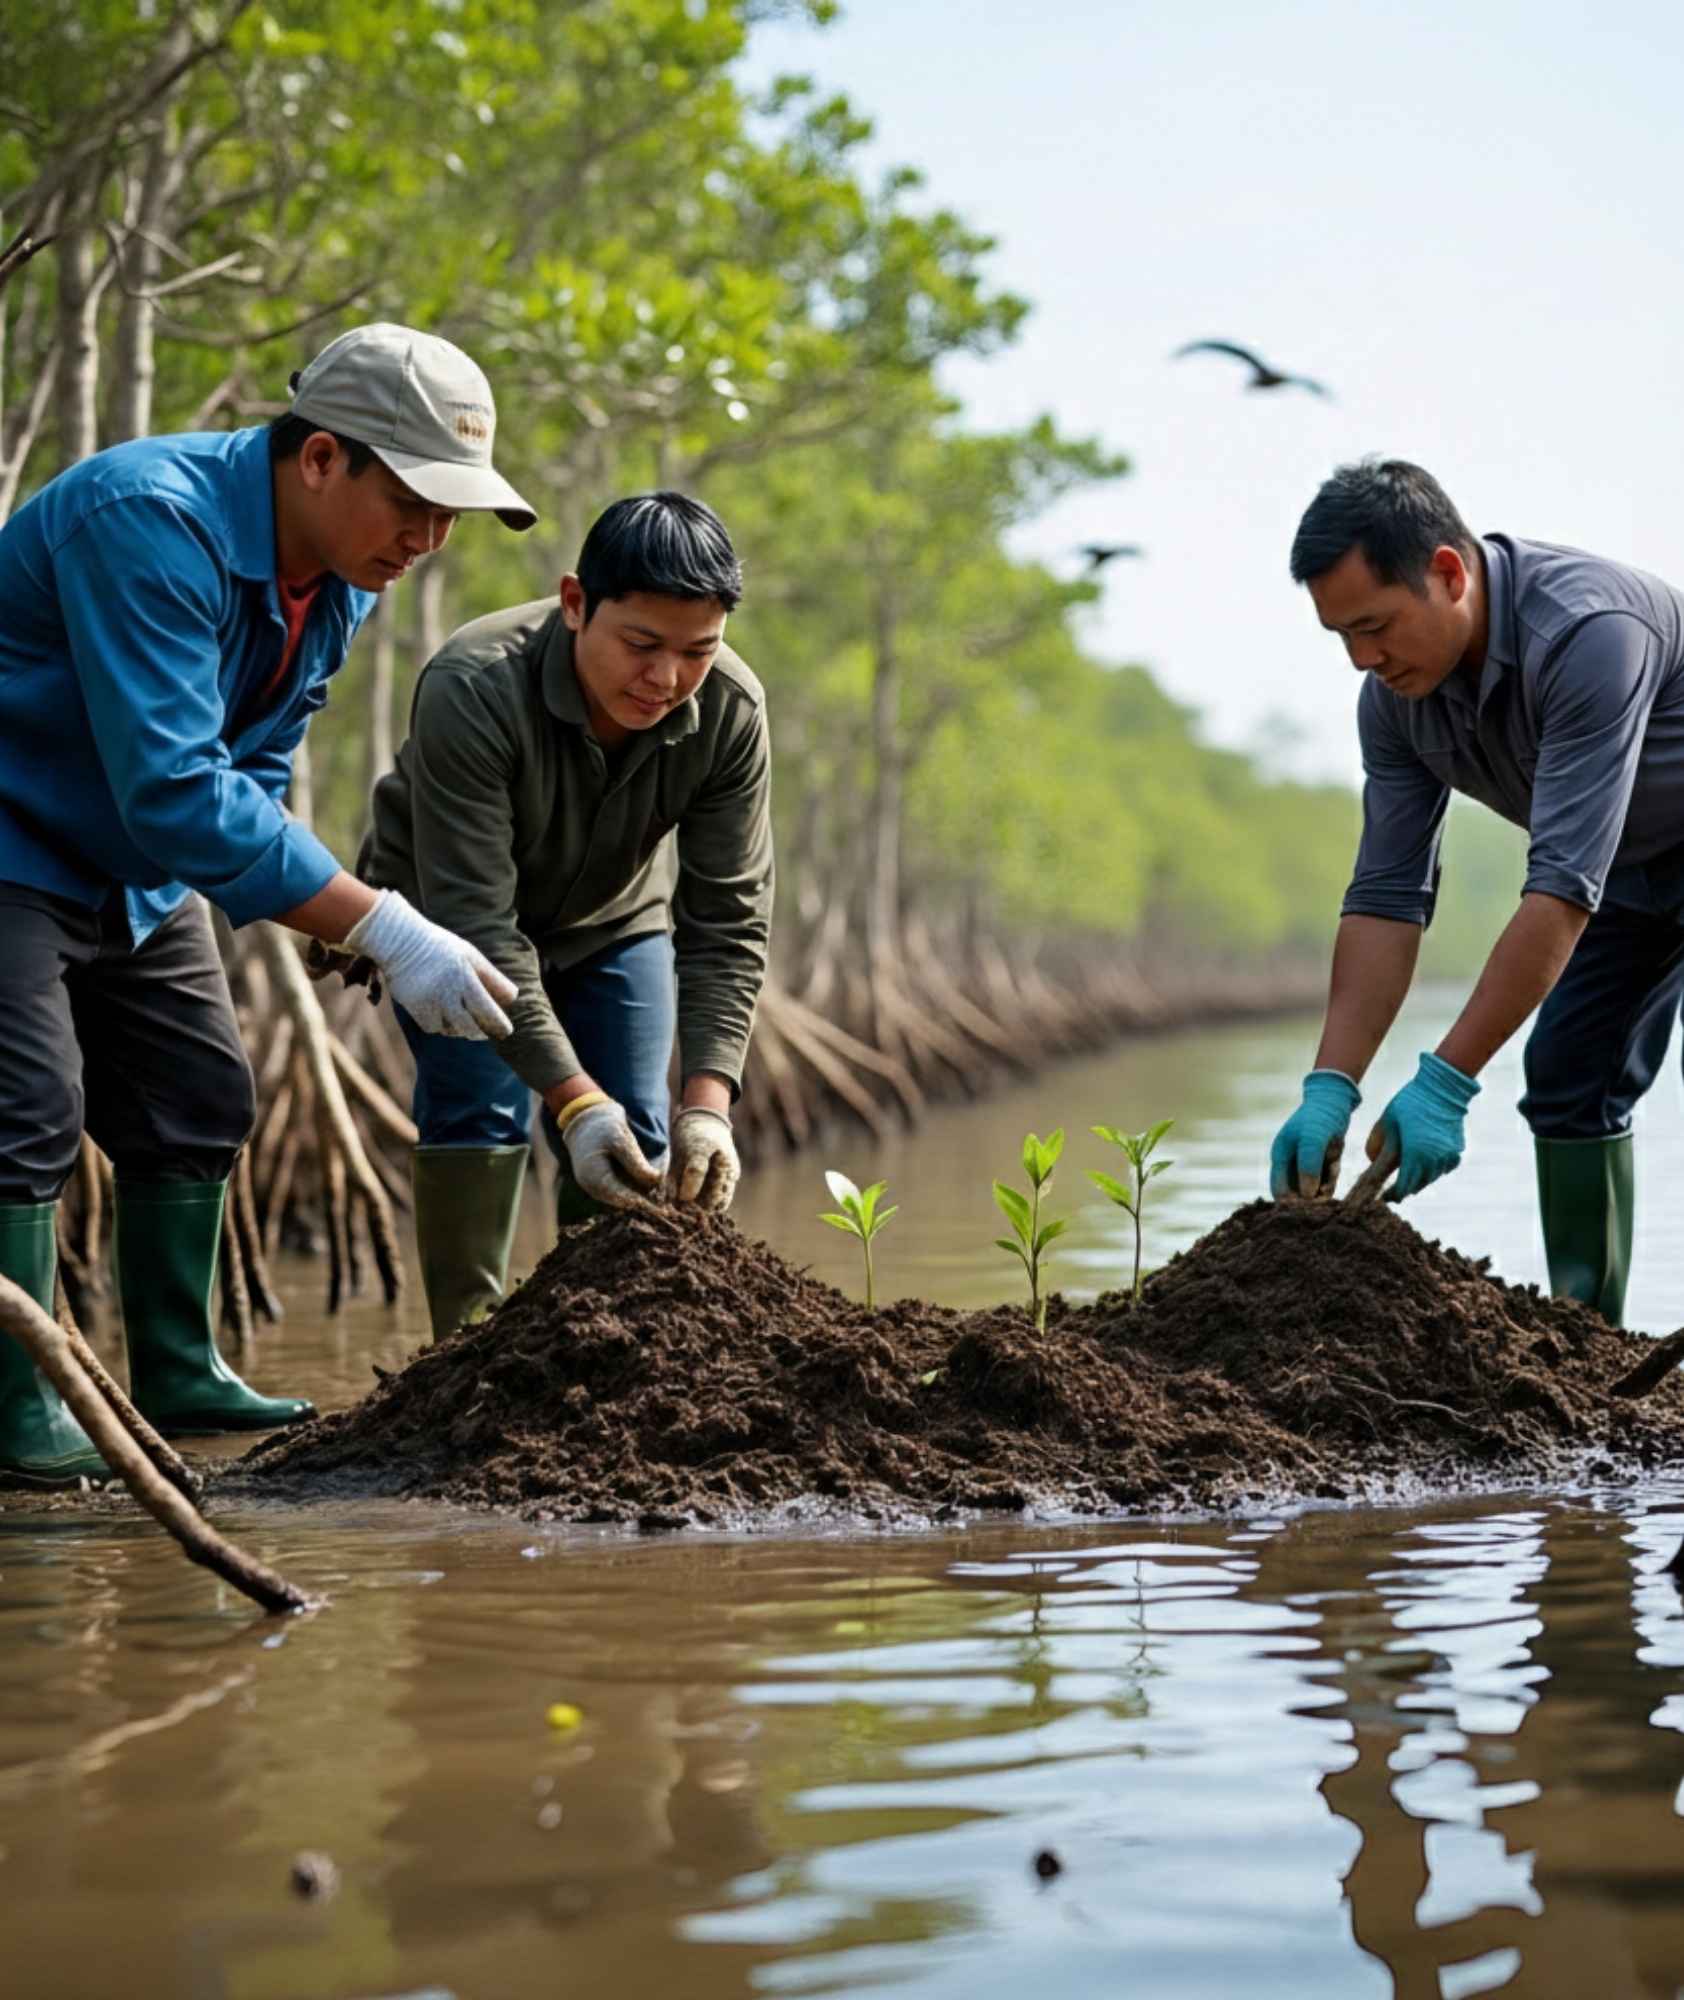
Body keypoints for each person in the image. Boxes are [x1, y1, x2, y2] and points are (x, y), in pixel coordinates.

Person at [0, 322, 535, 1484]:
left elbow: (250, 766)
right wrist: (382, 921)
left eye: (451, 515)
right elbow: (178, 787)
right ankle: (16, 1402)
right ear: (321, 458)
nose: (430, 540)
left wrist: (321, 906)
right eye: (414, 501)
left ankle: (178, 1369)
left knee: (200, 1093)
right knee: (26, 1111)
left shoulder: (342, 577)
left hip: (134, 867)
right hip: (12, 837)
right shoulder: (149, 519)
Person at [1270, 457, 1684, 1326]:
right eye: (1340, 636)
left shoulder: (1587, 631)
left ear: (1448, 574)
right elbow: (1386, 895)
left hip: (1603, 867)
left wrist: (1446, 1082)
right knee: (1568, 1074)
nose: (1361, 659)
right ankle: (1592, 1349)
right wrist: (1330, 1084)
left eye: (1375, 625)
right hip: (1629, 872)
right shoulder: (1395, 701)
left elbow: (1562, 886)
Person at [359, 492, 772, 1340]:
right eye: (642, 645)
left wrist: (710, 1104)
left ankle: (612, 1354)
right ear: (575, 602)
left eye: (698, 651)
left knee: (640, 1125)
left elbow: (727, 920)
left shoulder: (730, 711)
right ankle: (466, 1356)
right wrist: (570, 1103)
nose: (665, 680)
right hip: (446, 926)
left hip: (614, 920)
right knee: (478, 1109)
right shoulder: (473, 684)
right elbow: (479, 919)